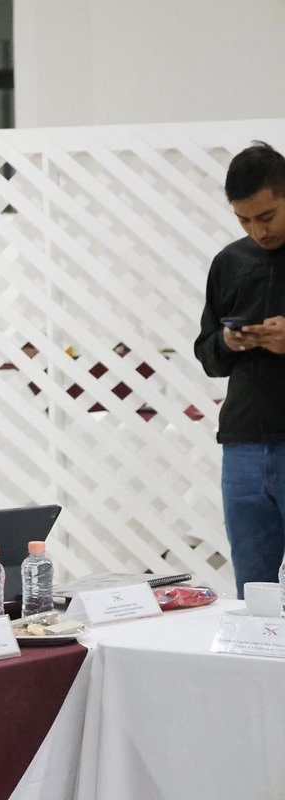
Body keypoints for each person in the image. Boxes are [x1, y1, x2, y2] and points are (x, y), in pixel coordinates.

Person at [195, 140, 285, 597]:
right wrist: (228, 341)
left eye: (266, 217)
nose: (257, 231)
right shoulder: (230, 262)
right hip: (243, 442)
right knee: (253, 591)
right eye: (244, 220)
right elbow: (206, 353)